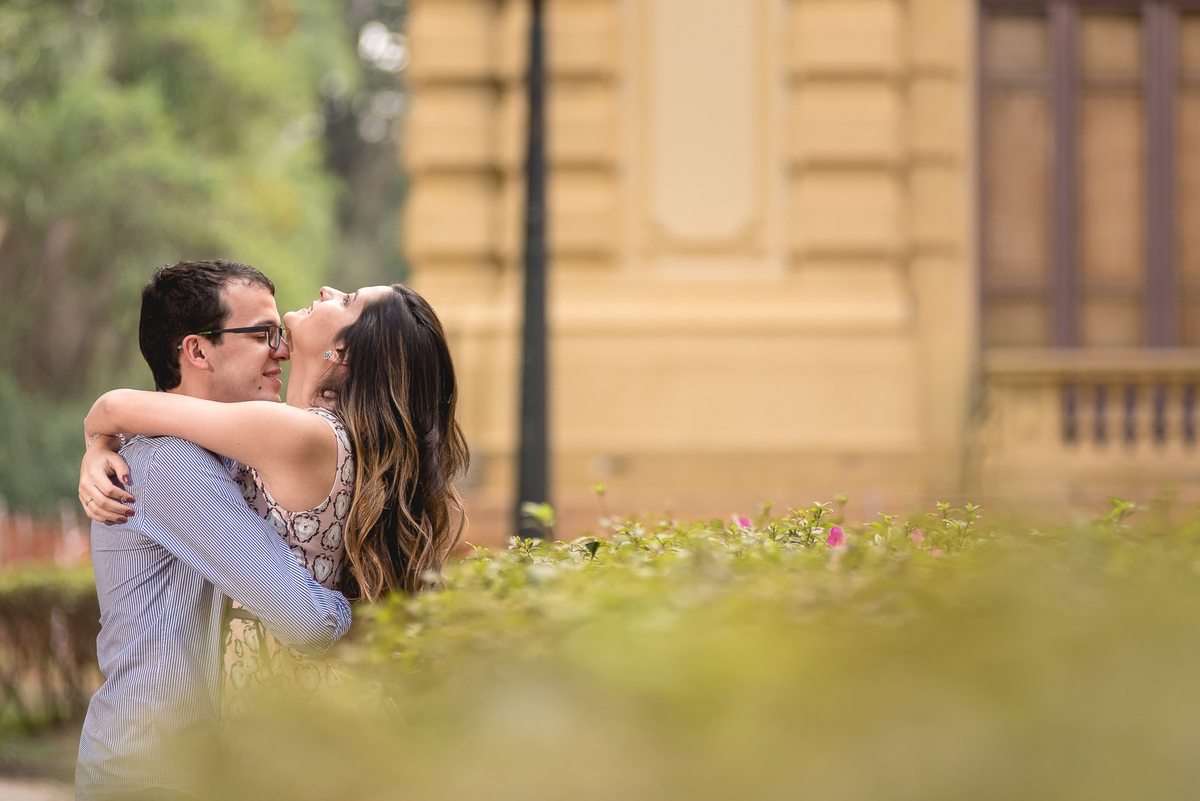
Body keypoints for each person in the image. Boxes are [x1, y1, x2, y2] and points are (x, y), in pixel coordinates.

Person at [79, 267, 469, 712]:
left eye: (346, 301)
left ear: (341, 352)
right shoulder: (332, 438)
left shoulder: (295, 435)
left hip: (295, 706)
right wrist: (103, 445)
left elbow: (116, 406)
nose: (327, 289)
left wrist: (100, 437)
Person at [75, 260, 353, 801]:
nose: (280, 350)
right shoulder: (170, 465)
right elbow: (308, 621)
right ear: (197, 351)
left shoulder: (215, 457)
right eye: (262, 335)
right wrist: (369, 614)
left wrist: (98, 438)